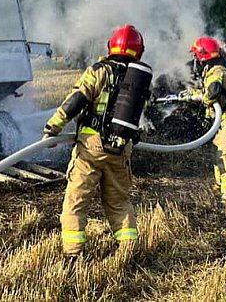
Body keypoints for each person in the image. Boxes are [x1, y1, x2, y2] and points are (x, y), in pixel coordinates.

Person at [42, 24, 148, 259]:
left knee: (76, 202)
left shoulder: (100, 71)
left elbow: (76, 101)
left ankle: (73, 255)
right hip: (120, 150)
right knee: (119, 202)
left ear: (111, 46)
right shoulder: (138, 80)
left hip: (91, 148)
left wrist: (52, 128)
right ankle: (129, 251)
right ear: (138, 51)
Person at [180, 36, 226, 209]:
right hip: (225, 118)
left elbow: (213, 92)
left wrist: (202, 98)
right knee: (218, 150)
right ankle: (220, 185)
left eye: (196, 56)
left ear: (202, 56)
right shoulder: (216, 69)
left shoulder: (216, 70)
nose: (194, 60)